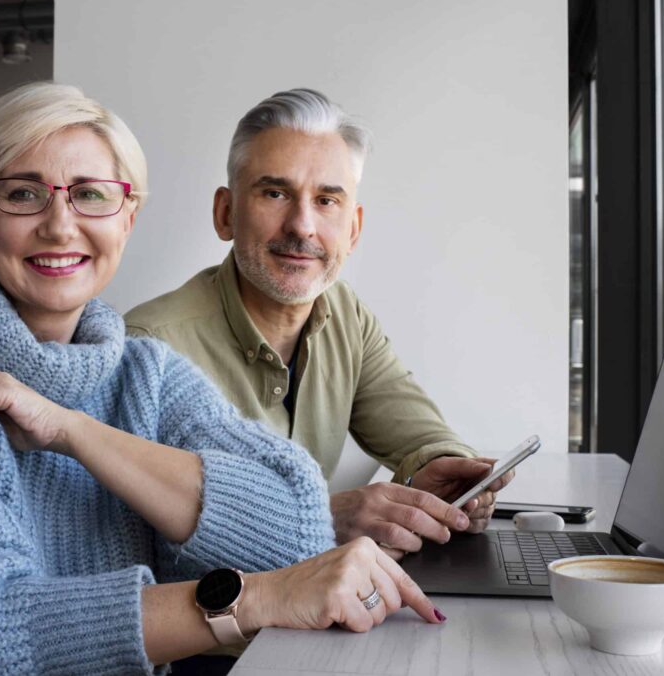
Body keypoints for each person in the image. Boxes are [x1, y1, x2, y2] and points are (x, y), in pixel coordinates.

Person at [0, 83, 447, 675]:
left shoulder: (142, 371)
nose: (60, 226)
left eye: (90, 194)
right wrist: (251, 599)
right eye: (23, 194)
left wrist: (73, 431)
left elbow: (295, 526)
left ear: (128, 217)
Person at [125, 88, 515, 560]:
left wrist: (446, 475)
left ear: (352, 229)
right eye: (275, 193)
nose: (302, 226)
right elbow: (134, 547)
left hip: (312, 617)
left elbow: (419, 433)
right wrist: (321, 517)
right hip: (212, 628)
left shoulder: (345, 314)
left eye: (327, 200)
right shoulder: (146, 350)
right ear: (225, 214)